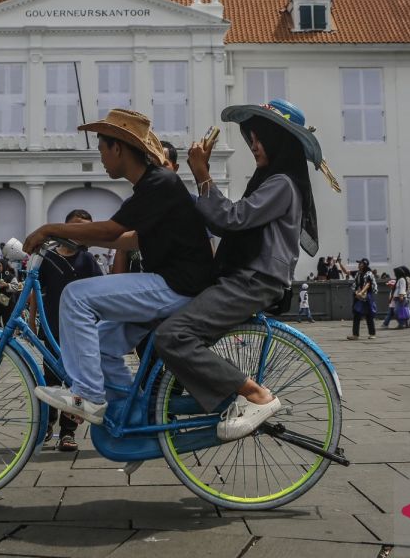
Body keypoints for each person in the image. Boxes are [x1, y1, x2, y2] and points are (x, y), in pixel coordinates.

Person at [156, 99, 340, 441]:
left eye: (260, 138)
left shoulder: (281, 184)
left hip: (253, 279)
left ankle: (255, 395)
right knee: (171, 330)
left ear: (278, 141)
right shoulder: (272, 181)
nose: (253, 145)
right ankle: (167, 407)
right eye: (251, 138)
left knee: (173, 336)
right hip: (247, 277)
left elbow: (231, 218)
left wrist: (202, 175)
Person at [23, 109, 214, 426]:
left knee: (75, 296)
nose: (100, 158)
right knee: (100, 343)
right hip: (174, 285)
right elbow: (132, 239)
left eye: (101, 149)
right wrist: (80, 238)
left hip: (177, 286)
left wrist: (50, 229)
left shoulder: (159, 182)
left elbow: (112, 230)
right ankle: (131, 415)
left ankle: (87, 394)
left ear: (118, 148)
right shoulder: (153, 185)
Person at [28, 209, 104, 451]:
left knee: (75, 383)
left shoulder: (87, 260)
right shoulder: (49, 258)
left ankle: (68, 432)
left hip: (79, 331)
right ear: (65, 227)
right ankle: (47, 425)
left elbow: (100, 292)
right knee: (50, 379)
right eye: (77, 226)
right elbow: (35, 289)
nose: (81, 232)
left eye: (86, 227)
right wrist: (32, 319)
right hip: (52, 326)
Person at [348, 259, 378, 339]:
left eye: (360, 263)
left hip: (366, 297)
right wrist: (339, 263)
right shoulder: (358, 273)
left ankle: (372, 334)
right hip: (358, 296)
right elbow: (346, 272)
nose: (359, 264)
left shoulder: (368, 273)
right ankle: (355, 334)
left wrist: (361, 292)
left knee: (369, 315)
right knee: (356, 314)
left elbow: (368, 284)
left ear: (364, 265)